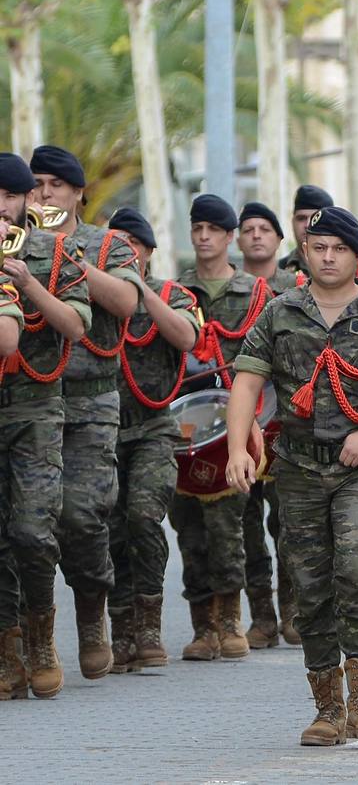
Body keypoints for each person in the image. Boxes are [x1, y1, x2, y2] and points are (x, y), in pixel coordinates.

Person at [226, 206, 358, 746]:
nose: (329, 257)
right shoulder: (280, 311)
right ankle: (327, 708)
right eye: (319, 248)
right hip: (297, 463)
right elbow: (246, 381)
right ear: (306, 252)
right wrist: (237, 447)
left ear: (357, 255)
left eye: (339, 248)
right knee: (311, 587)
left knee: (355, 567)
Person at [31, 145, 146, 679]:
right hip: (31, 402)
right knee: (29, 523)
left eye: (57, 184)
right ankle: (34, 634)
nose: (45, 193)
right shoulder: (15, 242)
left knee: (82, 515)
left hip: (89, 400)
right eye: (37, 184)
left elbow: (127, 303)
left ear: (79, 192)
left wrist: (66, 259)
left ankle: (91, 610)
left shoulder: (107, 245)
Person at [0, 153, 90, 699]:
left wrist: (26, 284)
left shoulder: (54, 251)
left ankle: (40, 632)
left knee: (33, 532)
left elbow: (76, 327)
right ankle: (7, 649)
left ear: (26, 202)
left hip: (34, 409)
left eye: (10, 196)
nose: (1, 209)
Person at [174, 194, 273, 662]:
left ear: (229, 236)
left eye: (213, 229)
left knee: (231, 521)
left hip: (237, 421)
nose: (204, 237)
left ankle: (232, 618)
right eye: (198, 229)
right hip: (187, 423)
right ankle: (202, 622)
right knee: (188, 524)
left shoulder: (255, 294)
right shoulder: (177, 293)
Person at [106, 208, 202, 673]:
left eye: (130, 244)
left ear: (146, 251)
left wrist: (140, 288)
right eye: (114, 242)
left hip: (152, 430)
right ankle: (119, 627)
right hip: (102, 431)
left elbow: (186, 338)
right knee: (107, 529)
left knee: (144, 517)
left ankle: (147, 623)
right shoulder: (98, 293)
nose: (122, 251)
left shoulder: (174, 294)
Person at [236, 199, 297, 648]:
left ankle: (293, 610)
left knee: (289, 519)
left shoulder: (296, 288)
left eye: (265, 229)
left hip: (285, 420)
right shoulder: (231, 287)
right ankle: (260, 615)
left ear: (279, 240)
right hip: (239, 416)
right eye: (248, 229)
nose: (256, 235)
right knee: (244, 520)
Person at [279, 185, 358, 294]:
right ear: (292, 221)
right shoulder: (279, 269)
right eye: (301, 218)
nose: (307, 224)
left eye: (315, 217)